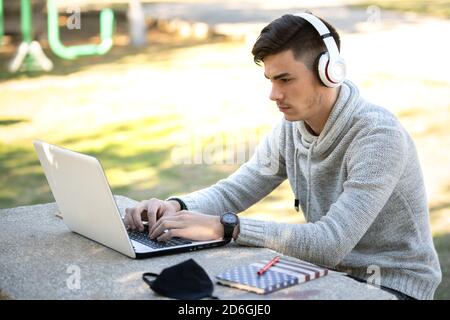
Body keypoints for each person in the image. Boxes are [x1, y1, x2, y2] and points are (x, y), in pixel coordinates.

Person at [124, 12, 442, 300]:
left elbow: (330, 243)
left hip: (393, 286)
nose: (274, 95)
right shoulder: (291, 128)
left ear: (330, 72)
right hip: (329, 276)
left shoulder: (378, 136)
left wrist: (228, 227)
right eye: (271, 80)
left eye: (285, 80)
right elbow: (237, 189)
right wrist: (176, 207)